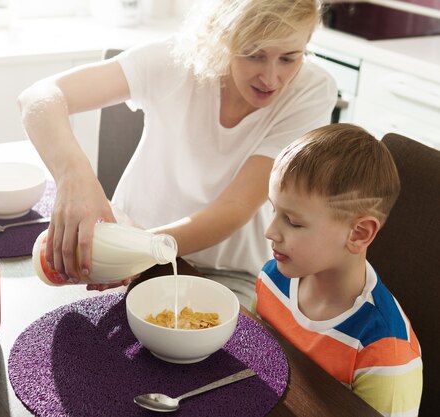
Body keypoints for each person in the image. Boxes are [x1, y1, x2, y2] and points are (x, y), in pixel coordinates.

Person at [18, 0, 337, 303]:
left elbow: (234, 208)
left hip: (227, 275)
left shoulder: (312, 90)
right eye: (253, 54)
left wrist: (140, 251)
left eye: (289, 58)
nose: (271, 78)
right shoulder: (177, 60)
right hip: (128, 251)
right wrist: (75, 180)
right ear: (222, 38)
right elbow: (38, 98)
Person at [254, 123, 423, 416]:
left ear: (358, 234)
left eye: (293, 222)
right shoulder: (272, 278)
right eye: (274, 210)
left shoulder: (385, 351)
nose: (271, 231)